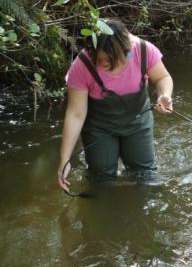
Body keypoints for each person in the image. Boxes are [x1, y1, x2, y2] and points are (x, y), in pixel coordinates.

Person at [57, 19, 173, 191]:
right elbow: (75, 114)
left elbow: (163, 77)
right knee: (101, 178)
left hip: (137, 122)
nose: (106, 65)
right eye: (102, 60)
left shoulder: (142, 50)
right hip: (99, 127)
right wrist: (64, 160)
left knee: (144, 175)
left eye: (112, 60)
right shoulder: (82, 66)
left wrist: (164, 95)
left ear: (126, 51)